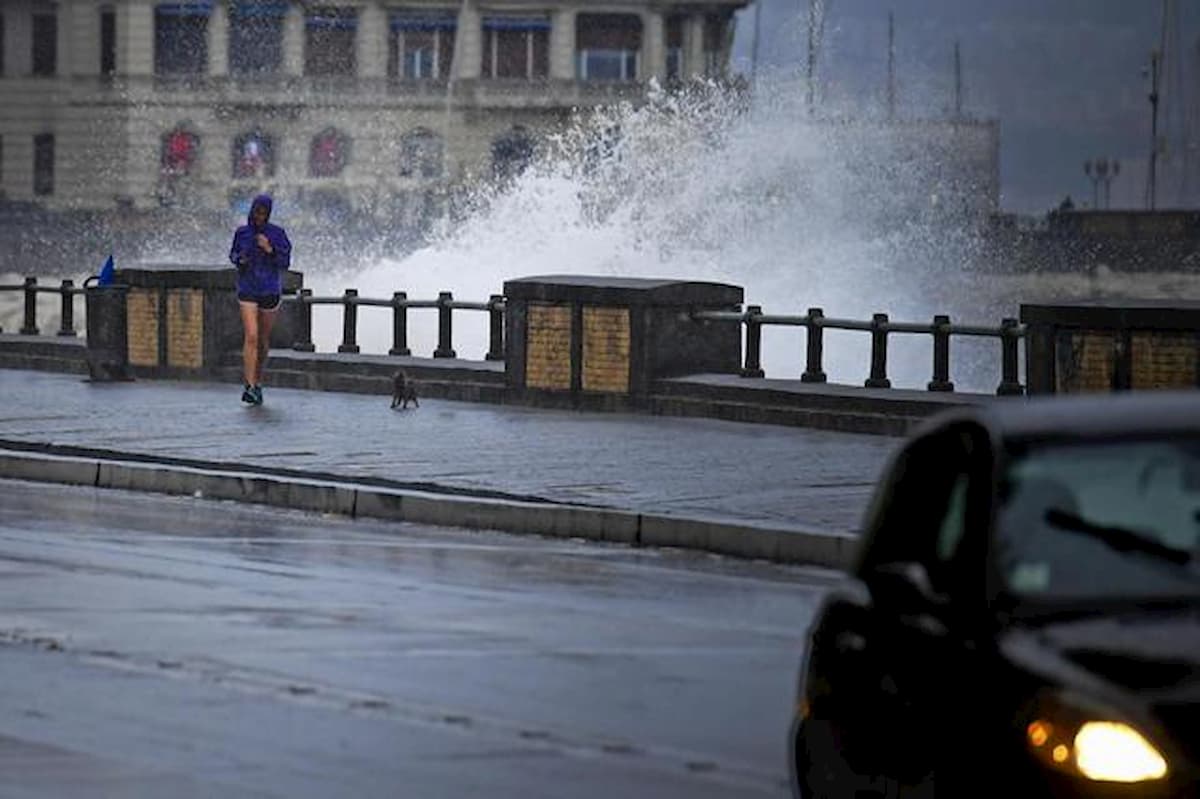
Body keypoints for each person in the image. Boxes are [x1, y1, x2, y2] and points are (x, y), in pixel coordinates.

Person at [229, 194, 291, 405]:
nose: (259, 217)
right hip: (247, 288)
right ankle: (249, 385)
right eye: (257, 213)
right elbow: (233, 255)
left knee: (263, 340)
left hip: (269, 290)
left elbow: (285, 262)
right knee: (252, 336)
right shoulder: (242, 233)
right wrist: (241, 259)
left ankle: (258, 380)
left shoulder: (277, 234)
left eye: (264, 214)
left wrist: (269, 249)